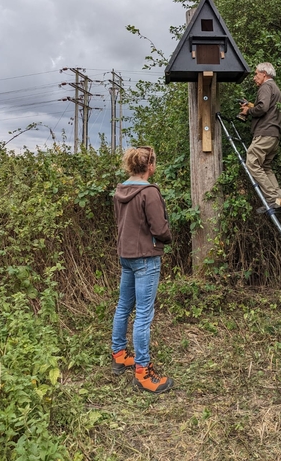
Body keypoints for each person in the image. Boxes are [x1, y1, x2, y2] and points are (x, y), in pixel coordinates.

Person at [111, 146, 174, 393]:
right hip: (146, 257)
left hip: (125, 255)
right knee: (144, 314)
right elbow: (159, 228)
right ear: (151, 166)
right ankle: (143, 372)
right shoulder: (150, 193)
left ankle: (119, 355)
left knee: (124, 306)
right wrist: (167, 238)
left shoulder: (120, 191)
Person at [239, 62, 281, 211]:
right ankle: (279, 199)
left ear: (264, 74)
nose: (254, 77)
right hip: (274, 134)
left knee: (252, 162)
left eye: (256, 73)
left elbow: (263, 108)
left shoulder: (265, 87)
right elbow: (268, 108)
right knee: (265, 167)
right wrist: (251, 105)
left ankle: (272, 198)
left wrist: (247, 112)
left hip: (264, 133)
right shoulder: (275, 88)